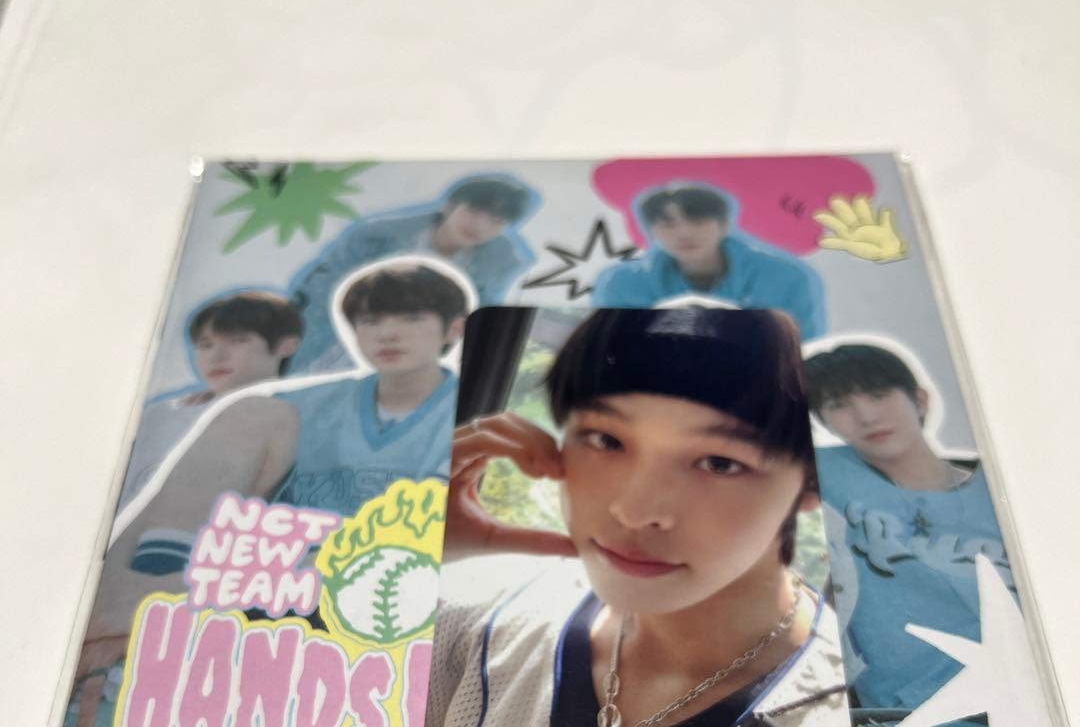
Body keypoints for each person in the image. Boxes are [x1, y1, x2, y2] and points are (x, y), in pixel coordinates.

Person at [47, 262, 468, 727]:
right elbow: (176, 513)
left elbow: (415, 553)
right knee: (252, 414)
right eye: (371, 321)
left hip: (357, 610)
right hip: (244, 590)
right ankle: (127, 621)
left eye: (410, 318)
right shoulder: (299, 406)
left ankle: (154, 624)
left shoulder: (471, 412)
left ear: (452, 328)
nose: (387, 333)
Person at [423, 307, 854, 727]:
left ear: (814, 482)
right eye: (606, 440)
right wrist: (406, 546)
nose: (634, 510)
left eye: (719, 463)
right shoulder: (472, 618)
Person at [805, 342, 1071, 727]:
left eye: (879, 394)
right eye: (840, 404)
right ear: (824, 422)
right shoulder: (827, 475)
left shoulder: (1011, 483)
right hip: (938, 723)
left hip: (1060, 701)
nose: (866, 415)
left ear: (920, 398)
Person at [289, 174, 536, 374]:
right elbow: (323, 285)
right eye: (473, 211)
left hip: (410, 358)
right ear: (449, 205)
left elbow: (478, 322)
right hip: (334, 334)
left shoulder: (497, 266)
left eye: (496, 221)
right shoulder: (377, 236)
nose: (480, 226)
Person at [117, 292, 302, 510]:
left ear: (286, 345)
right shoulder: (160, 413)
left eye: (238, 341)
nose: (216, 357)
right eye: (206, 345)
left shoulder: (293, 417)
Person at [591, 184, 826, 340]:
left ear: (724, 225)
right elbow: (615, 350)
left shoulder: (783, 277)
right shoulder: (622, 283)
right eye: (668, 224)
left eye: (698, 222)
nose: (684, 233)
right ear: (651, 232)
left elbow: (798, 350)